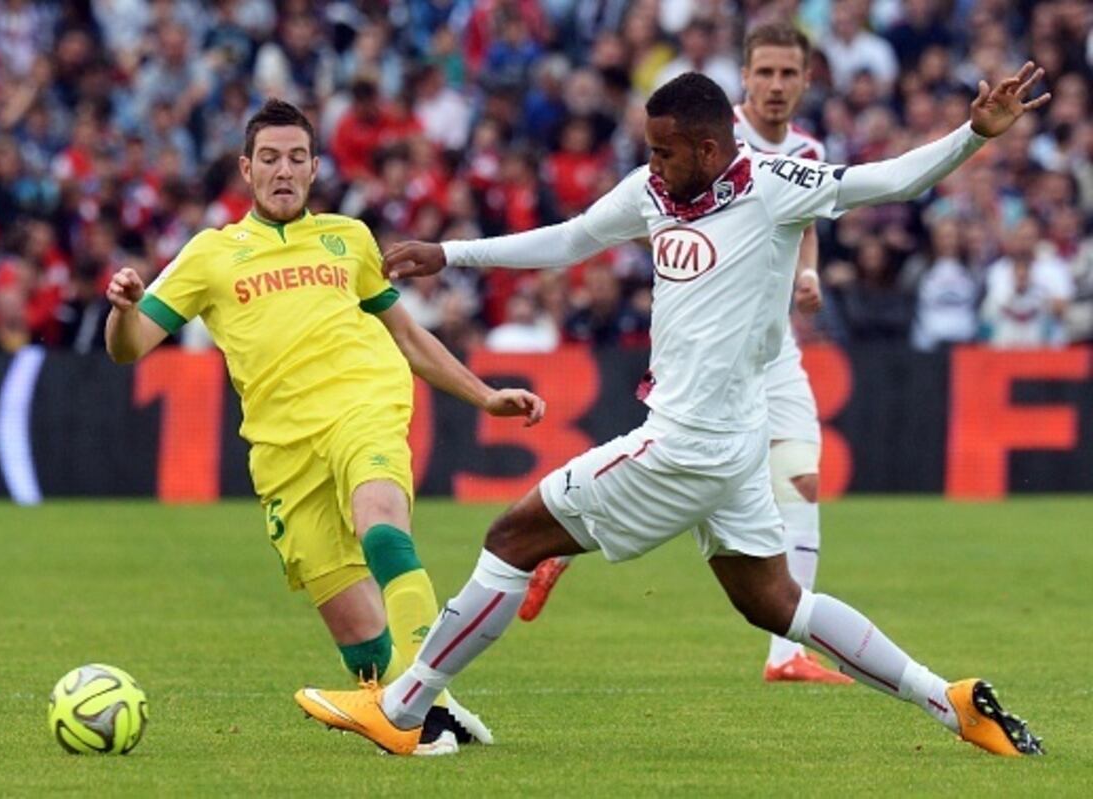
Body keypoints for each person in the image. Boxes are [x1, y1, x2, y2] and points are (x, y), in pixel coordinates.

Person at [294, 66, 1050, 757]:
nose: (653, 164)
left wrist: (972, 135)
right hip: (732, 447)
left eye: (665, 151)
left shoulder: (776, 187)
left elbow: (887, 182)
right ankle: (950, 703)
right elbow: (573, 239)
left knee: (511, 536)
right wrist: (453, 254)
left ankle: (402, 706)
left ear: (713, 145)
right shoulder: (655, 192)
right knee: (776, 603)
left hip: (690, 443)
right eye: (649, 150)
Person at [104, 98, 546, 756]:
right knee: (361, 640)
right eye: (271, 159)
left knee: (381, 520)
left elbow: (406, 336)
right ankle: (435, 710)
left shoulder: (349, 238)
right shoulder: (211, 255)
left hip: (362, 405)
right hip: (284, 451)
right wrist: (124, 308)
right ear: (246, 169)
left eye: (297, 158)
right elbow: (130, 347)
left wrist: (483, 396)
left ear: (314, 169)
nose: (284, 170)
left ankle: (415, 705)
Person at [518, 24, 852, 686]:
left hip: (772, 341)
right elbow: (648, 210)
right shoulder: (702, 136)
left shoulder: (809, 150)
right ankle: (564, 538)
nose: (778, 86)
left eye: (790, 74)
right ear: (745, 79)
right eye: (766, 73)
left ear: (807, 81)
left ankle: (786, 656)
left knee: (800, 477)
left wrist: (806, 274)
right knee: (685, 454)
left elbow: (799, 228)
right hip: (712, 336)